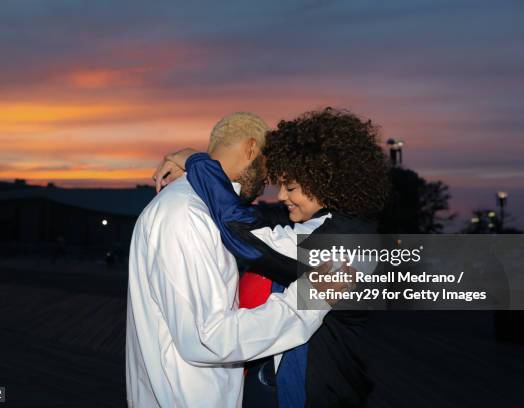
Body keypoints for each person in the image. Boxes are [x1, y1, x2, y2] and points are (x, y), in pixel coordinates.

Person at [154, 107, 391, 407]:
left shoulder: (347, 243)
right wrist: (196, 179)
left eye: (290, 187)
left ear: (326, 183)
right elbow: (246, 213)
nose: (280, 196)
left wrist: (195, 161)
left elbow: (243, 230)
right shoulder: (317, 222)